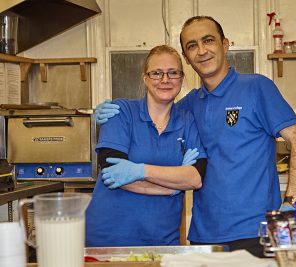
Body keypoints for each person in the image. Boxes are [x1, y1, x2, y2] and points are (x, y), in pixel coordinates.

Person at [95, 16, 296, 257]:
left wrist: (292, 203)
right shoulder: (188, 106)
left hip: (255, 231)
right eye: (191, 45)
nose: (201, 50)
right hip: (203, 236)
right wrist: (105, 112)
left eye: (208, 40)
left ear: (225, 44)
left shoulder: (257, 87)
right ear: (187, 58)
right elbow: (155, 110)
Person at [85, 45, 207, 247]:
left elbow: (195, 179)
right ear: (145, 78)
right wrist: (172, 188)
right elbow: (113, 176)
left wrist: (140, 170)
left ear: (182, 78)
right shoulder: (122, 112)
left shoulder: (187, 121)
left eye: (173, 73)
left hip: (161, 239)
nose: (165, 80)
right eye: (157, 73)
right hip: (108, 238)